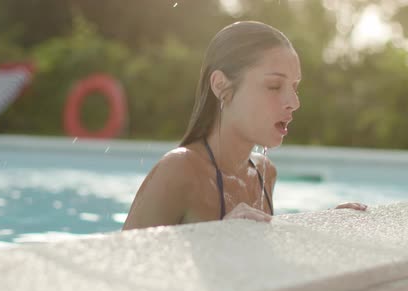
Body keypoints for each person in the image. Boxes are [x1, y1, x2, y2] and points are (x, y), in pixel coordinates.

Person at [123, 21, 365, 231]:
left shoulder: (263, 174)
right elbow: (119, 266)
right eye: (273, 86)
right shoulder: (179, 170)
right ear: (221, 86)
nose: (294, 103)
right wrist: (218, 238)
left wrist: (326, 226)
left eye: (295, 87)